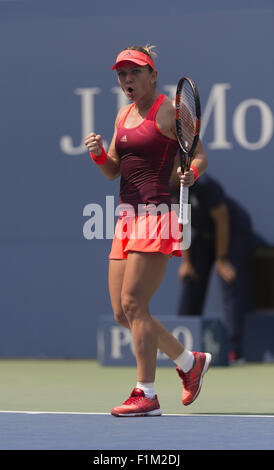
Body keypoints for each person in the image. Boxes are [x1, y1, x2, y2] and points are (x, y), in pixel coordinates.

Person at [85, 44, 211, 417]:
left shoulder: (171, 112)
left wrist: (193, 171)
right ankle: (189, 362)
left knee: (135, 304)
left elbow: (199, 154)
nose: (127, 79)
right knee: (124, 314)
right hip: (126, 219)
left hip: (157, 216)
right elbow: (113, 171)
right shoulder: (122, 116)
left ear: (153, 75)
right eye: (122, 73)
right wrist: (98, 153)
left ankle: (147, 394)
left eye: (135, 72)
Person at [171, 172, 253, 364]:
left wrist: (222, 259)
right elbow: (181, 224)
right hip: (205, 235)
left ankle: (234, 351)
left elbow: (222, 219)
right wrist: (187, 263)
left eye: (174, 163)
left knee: (228, 279)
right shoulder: (169, 187)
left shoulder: (205, 184)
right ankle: (182, 350)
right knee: (191, 278)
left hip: (233, 231)